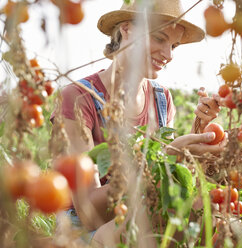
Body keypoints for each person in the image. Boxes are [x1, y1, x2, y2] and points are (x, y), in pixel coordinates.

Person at [52, 0, 225, 247]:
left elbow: (165, 182)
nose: (169, 55)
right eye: (159, 38)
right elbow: (89, 212)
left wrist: (200, 130)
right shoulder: (78, 98)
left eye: (174, 45)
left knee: (206, 211)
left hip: (137, 217)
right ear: (127, 29)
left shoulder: (161, 98)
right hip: (87, 233)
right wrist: (168, 153)